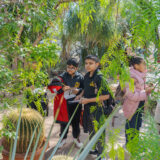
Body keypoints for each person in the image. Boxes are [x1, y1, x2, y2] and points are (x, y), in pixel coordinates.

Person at [78, 55, 110, 160]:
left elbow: (106, 96)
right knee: (92, 130)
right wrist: (80, 95)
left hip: (98, 109)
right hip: (88, 108)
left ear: (97, 64)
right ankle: (96, 149)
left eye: (90, 63)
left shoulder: (100, 77)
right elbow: (84, 88)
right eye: (86, 63)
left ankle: (102, 155)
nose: (87, 65)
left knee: (99, 132)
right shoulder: (87, 75)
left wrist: (87, 100)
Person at [122, 56, 153, 145]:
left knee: (137, 126)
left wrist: (147, 88)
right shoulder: (130, 77)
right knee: (131, 127)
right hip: (132, 107)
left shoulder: (141, 74)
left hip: (139, 105)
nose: (145, 65)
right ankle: (130, 147)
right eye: (143, 63)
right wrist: (145, 92)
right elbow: (131, 95)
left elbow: (140, 88)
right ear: (136, 65)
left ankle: (134, 145)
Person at [58, 58, 84, 148]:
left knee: (75, 122)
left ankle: (76, 138)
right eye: (68, 67)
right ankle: (63, 138)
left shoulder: (80, 77)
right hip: (65, 103)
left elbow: (83, 89)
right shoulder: (62, 76)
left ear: (76, 68)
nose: (70, 69)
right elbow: (56, 87)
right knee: (64, 122)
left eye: (72, 68)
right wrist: (62, 88)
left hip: (76, 103)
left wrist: (78, 92)